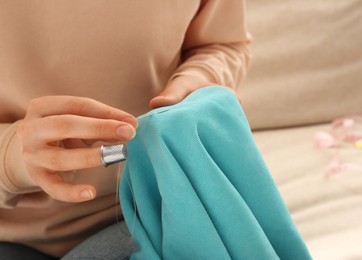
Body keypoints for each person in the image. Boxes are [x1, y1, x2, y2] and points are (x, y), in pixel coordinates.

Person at [0, 1, 251, 258]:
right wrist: (12, 158)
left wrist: (199, 77)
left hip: (154, 208)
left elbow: (222, 44)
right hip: (10, 231)